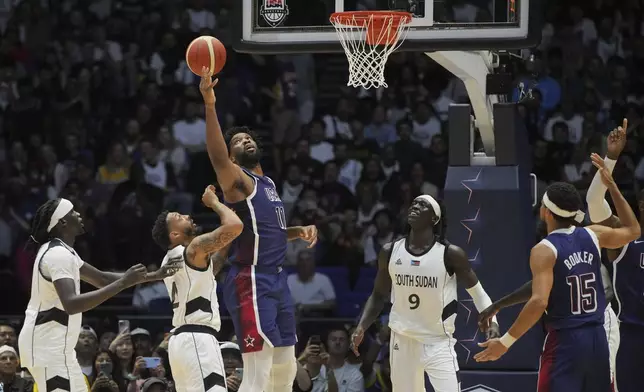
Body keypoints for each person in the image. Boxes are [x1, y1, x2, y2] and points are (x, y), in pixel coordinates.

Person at [474, 155, 641, 392]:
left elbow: (540, 300)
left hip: (566, 341)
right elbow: (634, 230)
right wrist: (612, 186)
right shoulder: (594, 234)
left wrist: (505, 342)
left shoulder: (543, 250)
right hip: (597, 338)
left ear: (546, 213)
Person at [199, 66, 318, 392]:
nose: (246, 140)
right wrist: (210, 104)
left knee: (285, 364)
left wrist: (297, 230)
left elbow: (268, 229)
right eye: (238, 140)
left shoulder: (267, 183)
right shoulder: (236, 180)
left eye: (248, 137)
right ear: (232, 156)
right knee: (258, 367)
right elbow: (216, 155)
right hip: (249, 279)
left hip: (276, 277)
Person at [18, 198, 178, 392]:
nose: (79, 214)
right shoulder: (57, 255)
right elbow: (72, 304)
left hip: (58, 346)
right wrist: (123, 282)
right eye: (73, 212)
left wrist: (155, 275)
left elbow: (102, 279)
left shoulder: (65, 252)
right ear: (62, 222)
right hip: (47, 344)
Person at [350, 194, 500, 392]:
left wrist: (494, 323)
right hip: (402, 340)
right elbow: (378, 295)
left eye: (423, 205)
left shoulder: (450, 254)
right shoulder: (390, 251)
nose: (415, 206)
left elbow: (478, 294)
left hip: (438, 341)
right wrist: (361, 326)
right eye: (414, 203)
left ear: (434, 218)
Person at [151, 185, 243, 392]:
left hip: (183, 341)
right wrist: (214, 203)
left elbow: (213, 267)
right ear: (174, 234)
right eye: (179, 216)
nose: (187, 215)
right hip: (196, 338)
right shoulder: (191, 250)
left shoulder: (174, 258)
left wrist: (227, 237)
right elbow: (236, 226)